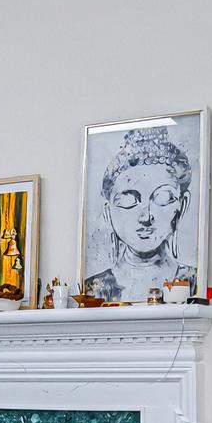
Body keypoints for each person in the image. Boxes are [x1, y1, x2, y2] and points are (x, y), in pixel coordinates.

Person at [80, 127, 197, 302]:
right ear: (107, 211)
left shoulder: (194, 283)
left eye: (162, 197)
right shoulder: (92, 290)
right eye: (128, 200)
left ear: (183, 204)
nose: (145, 217)